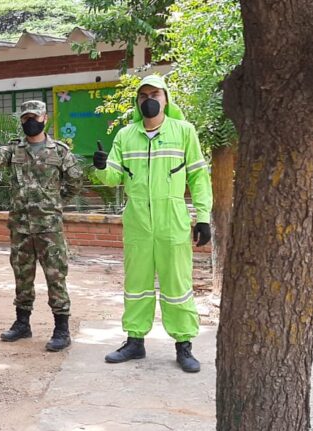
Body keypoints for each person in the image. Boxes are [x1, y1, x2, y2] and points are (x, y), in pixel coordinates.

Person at [93, 75, 213, 373]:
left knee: (177, 283)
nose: (149, 99)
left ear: (166, 98)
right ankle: (135, 341)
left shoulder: (184, 132)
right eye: (143, 94)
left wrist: (204, 217)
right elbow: (113, 178)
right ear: (137, 102)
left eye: (155, 93)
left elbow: (199, 177)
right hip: (137, 222)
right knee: (137, 284)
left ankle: (183, 345)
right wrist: (99, 167)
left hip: (172, 218)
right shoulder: (125, 135)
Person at [0, 100, 83, 352]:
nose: (30, 121)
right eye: (26, 117)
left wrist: (55, 202)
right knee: (22, 276)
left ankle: (61, 329)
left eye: (34, 117)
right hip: (21, 227)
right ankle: (22, 323)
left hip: (49, 228)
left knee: (55, 277)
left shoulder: (59, 151)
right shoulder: (14, 150)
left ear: (44, 118)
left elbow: (75, 181)